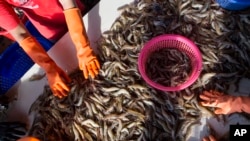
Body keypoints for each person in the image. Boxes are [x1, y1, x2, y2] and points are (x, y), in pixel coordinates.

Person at [0, 0, 100, 99]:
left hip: (75, 13)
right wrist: (49, 67)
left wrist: (83, 46)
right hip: (49, 30)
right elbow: (20, 34)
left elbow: (67, 2)